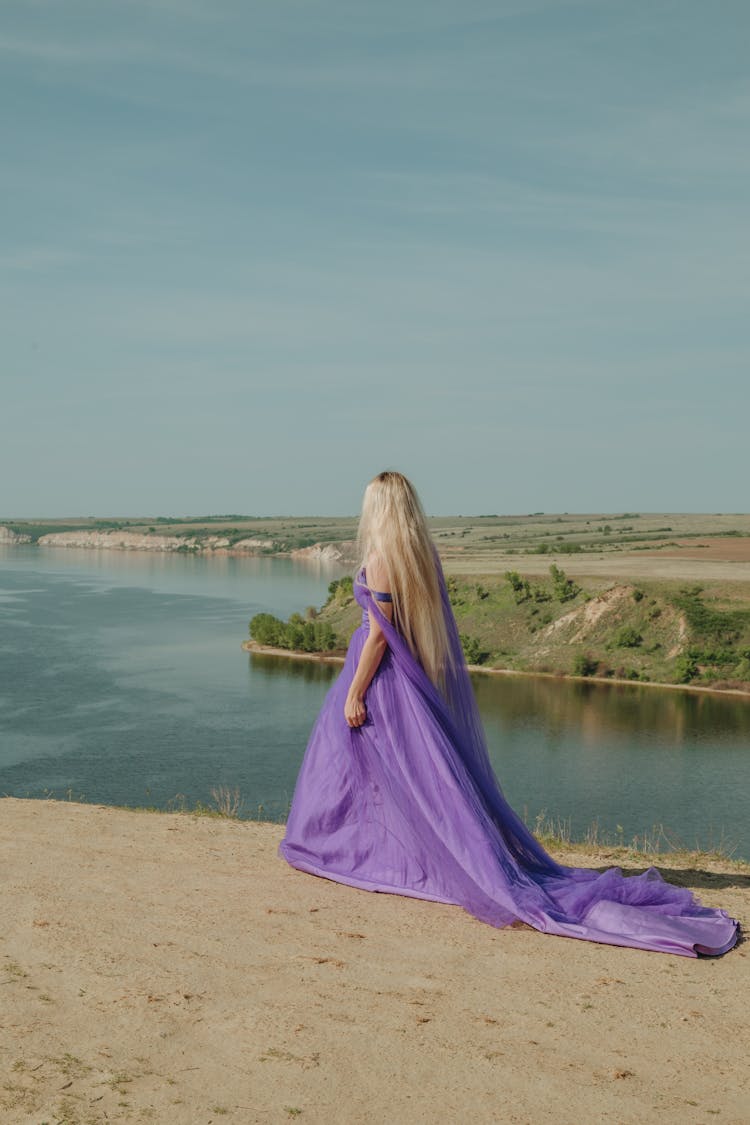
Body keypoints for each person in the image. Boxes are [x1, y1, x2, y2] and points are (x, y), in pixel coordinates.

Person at [279, 471, 738, 957]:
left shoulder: (380, 558)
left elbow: (377, 634)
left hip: (380, 677)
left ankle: (350, 848)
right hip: (404, 676)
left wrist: (354, 690)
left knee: (357, 764)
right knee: (407, 774)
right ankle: (381, 850)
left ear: (380, 508)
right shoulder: (418, 554)